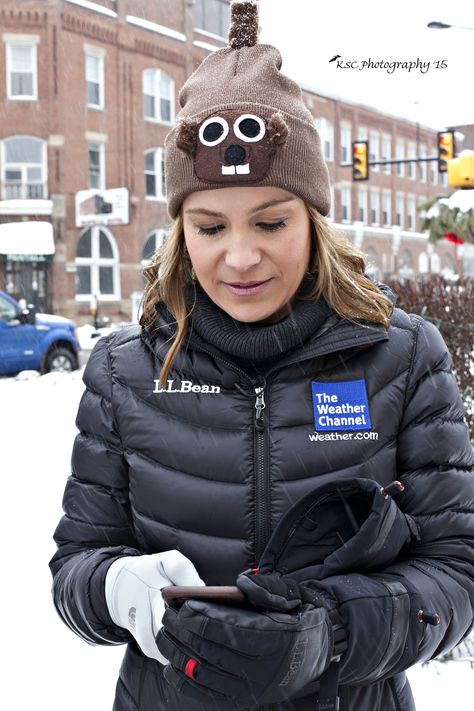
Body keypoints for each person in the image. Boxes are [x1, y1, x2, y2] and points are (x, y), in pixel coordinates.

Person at [49, 2, 474, 710]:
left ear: (313, 218)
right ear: (181, 229)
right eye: (210, 225)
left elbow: (458, 571)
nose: (240, 256)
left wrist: (333, 632)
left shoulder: (403, 357)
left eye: (272, 221)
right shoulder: (125, 370)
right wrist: (116, 591)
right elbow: (77, 569)